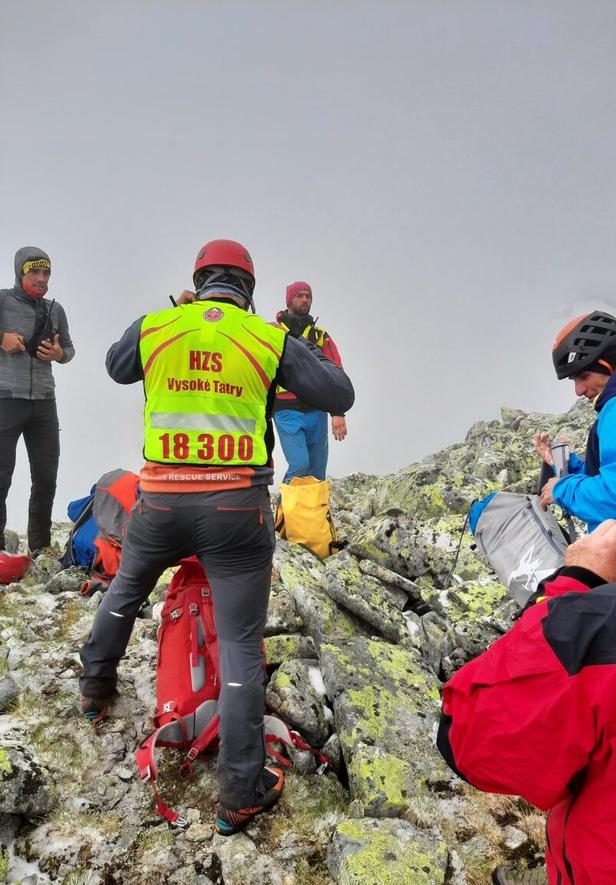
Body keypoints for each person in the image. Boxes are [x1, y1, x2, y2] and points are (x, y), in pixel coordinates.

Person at [79, 240, 354, 834]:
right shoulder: (265, 337)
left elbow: (115, 364)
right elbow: (340, 393)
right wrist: (289, 348)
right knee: (239, 642)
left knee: (125, 591)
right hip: (236, 509)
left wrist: (172, 313)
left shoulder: (161, 326)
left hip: (160, 502)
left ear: (197, 280)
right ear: (249, 289)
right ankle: (239, 790)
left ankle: (94, 687)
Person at [438, 328, 616, 884]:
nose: (580, 390)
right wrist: (555, 471)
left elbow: (466, 737)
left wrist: (573, 581)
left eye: (582, 377)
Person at [534, 310, 616, 532]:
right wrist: (568, 466)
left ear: (608, 364)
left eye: (583, 376)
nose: (578, 390)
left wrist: (562, 490)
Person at [0, 246, 75, 554]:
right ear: (20, 272)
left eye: (46, 273)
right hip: (6, 399)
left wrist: (59, 355)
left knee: (46, 477)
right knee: (1, 475)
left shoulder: (55, 310)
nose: (42, 278)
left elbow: (69, 349)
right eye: (35, 272)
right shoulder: (3, 300)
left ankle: (40, 547)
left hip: (44, 401)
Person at [273, 281, 347, 482]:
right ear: (289, 300)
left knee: (317, 472)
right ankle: (284, 511)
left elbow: (336, 372)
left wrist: (338, 412)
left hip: (317, 409)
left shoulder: (320, 336)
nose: (305, 299)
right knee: (299, 464)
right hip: (285, 409)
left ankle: (314, 513)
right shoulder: (273, 332)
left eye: (308, 296)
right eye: (300, 295)